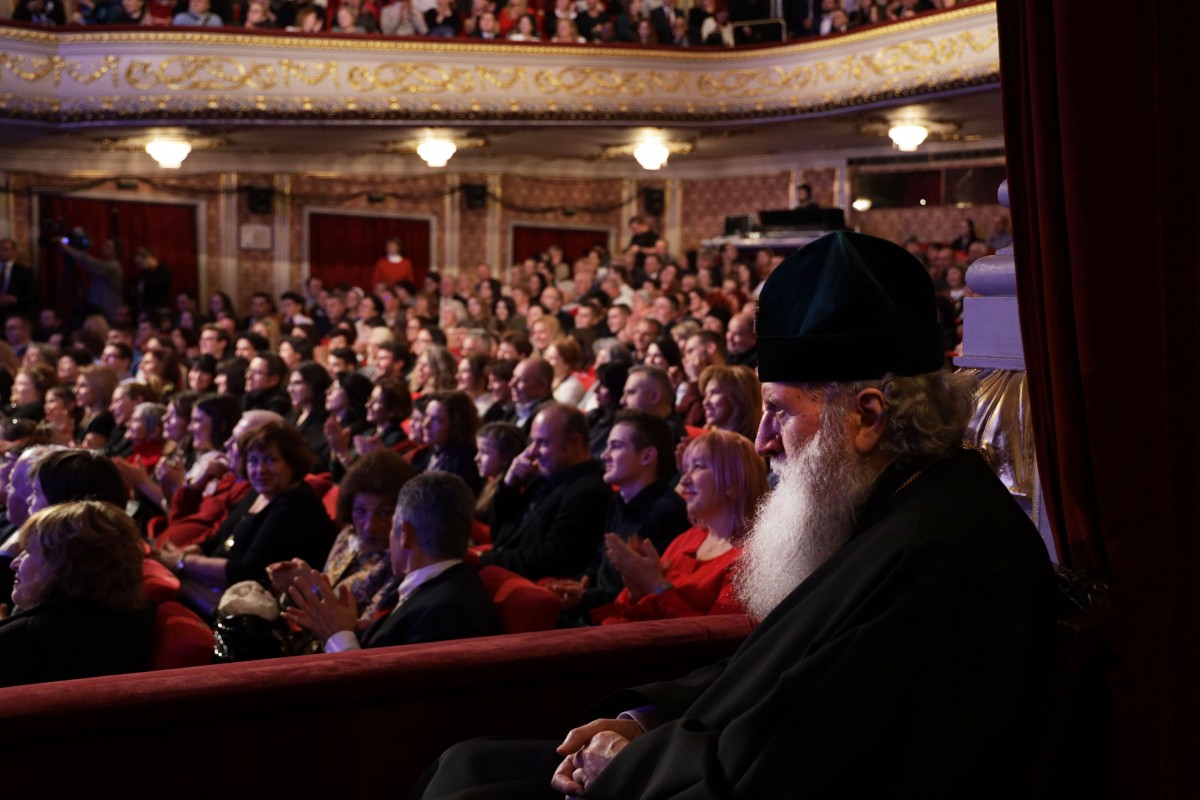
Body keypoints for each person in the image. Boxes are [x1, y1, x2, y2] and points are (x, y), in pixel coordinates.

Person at [416, 230, 1060, 799]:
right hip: (708, 759)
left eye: (780, 410)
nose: (761, 440)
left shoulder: (945, 553)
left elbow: (791, 765)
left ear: (866, 417)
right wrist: (638, 720)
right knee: (466, 765)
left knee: (468, 784)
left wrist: (628, 761)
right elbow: (759, 673)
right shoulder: (886, 506)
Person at [284, 471, 501, 650]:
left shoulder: (447, 612)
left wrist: (339, 637)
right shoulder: (428, 582)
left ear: (404, 533)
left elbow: (384, 692)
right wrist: (351, 628)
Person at [155, 422, 336, 613]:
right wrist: (181, 554)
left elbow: (245, 571)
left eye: (271, 460)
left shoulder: (296, 504)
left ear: (293, 462)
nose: (260, 469)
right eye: (253, 461)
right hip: (220, 587)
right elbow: (220, 538)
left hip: (253, 602)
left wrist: (180, 562)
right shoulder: (259, 492)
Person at [546, 409, 690, 624]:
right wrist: (585, 580)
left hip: (626, 622)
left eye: (616, 446)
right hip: (598, 609)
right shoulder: (618, 500)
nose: (604, 455)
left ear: (648, 456)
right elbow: (601, 557)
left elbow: (645, 592)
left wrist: (586, 597)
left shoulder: (667, 511)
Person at [266, 449, 414, 645]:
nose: (369, 525)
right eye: (360, 511)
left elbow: (367, 630)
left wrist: (312, 586)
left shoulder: (401, 558)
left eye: (384, 513)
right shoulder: (347, 535)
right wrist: (297, 585)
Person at [0, 501, 153, 688]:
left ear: (63, 566)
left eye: (29, 551)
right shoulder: (136, 617)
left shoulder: (25, 641)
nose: (15, 563)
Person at [479, 403, 612, 581]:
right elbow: (502, 537)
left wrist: (483, 560)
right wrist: (508, 486)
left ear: (575, 443)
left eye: (542, 442)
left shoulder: (588, 490)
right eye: (532, 442)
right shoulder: (542, 476)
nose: (532, 452)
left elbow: (553, 559)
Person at [420, 391, 483, 496]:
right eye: (426, 416)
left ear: (456, 425)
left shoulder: (464, 463)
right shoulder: (431, 452)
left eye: (436, 420)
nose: (426, 424)